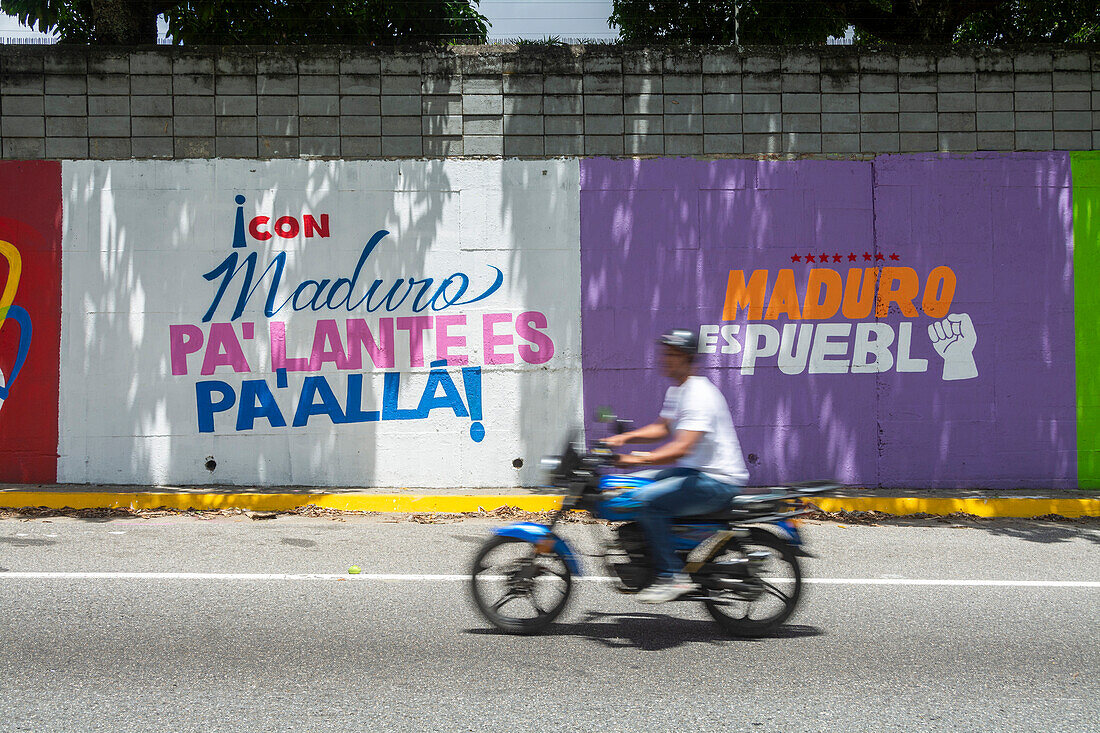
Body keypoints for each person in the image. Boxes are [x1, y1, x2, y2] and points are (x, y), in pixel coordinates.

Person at [603, 328, 750, 603]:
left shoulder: (698, 394)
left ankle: (672, 575)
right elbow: (661, 429)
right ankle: (657, 547)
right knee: (638, 482)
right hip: (696, 472)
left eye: (672, 354)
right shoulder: (679, 390)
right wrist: (622, 438)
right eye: (665, 353)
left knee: (645, 500)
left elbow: (681, 448)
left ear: (687, 358)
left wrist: (635, 458)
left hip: (718, 481)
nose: (665, 359)